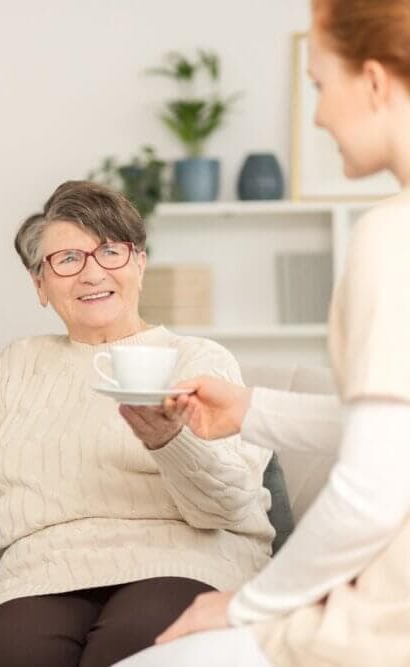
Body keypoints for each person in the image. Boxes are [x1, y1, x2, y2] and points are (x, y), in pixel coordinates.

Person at [0, 180, 276, 667]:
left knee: (137, 650)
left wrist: (170, 440)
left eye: (110, 251)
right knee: (2, 658)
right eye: (67, 259)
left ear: (139, 263)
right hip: (43, 573)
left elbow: (227, 504)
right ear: (40, 285)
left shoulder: (199, 360)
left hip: (181, 560)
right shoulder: (19, 365)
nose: (92, 273)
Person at [116, 2, 410, 665]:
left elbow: (371, 489)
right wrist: (251, 410)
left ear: (372, 81)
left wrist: (246, 602)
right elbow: (396, 429)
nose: (318, 116)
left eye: (320, 86)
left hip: (383, 623)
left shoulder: (391, 237)